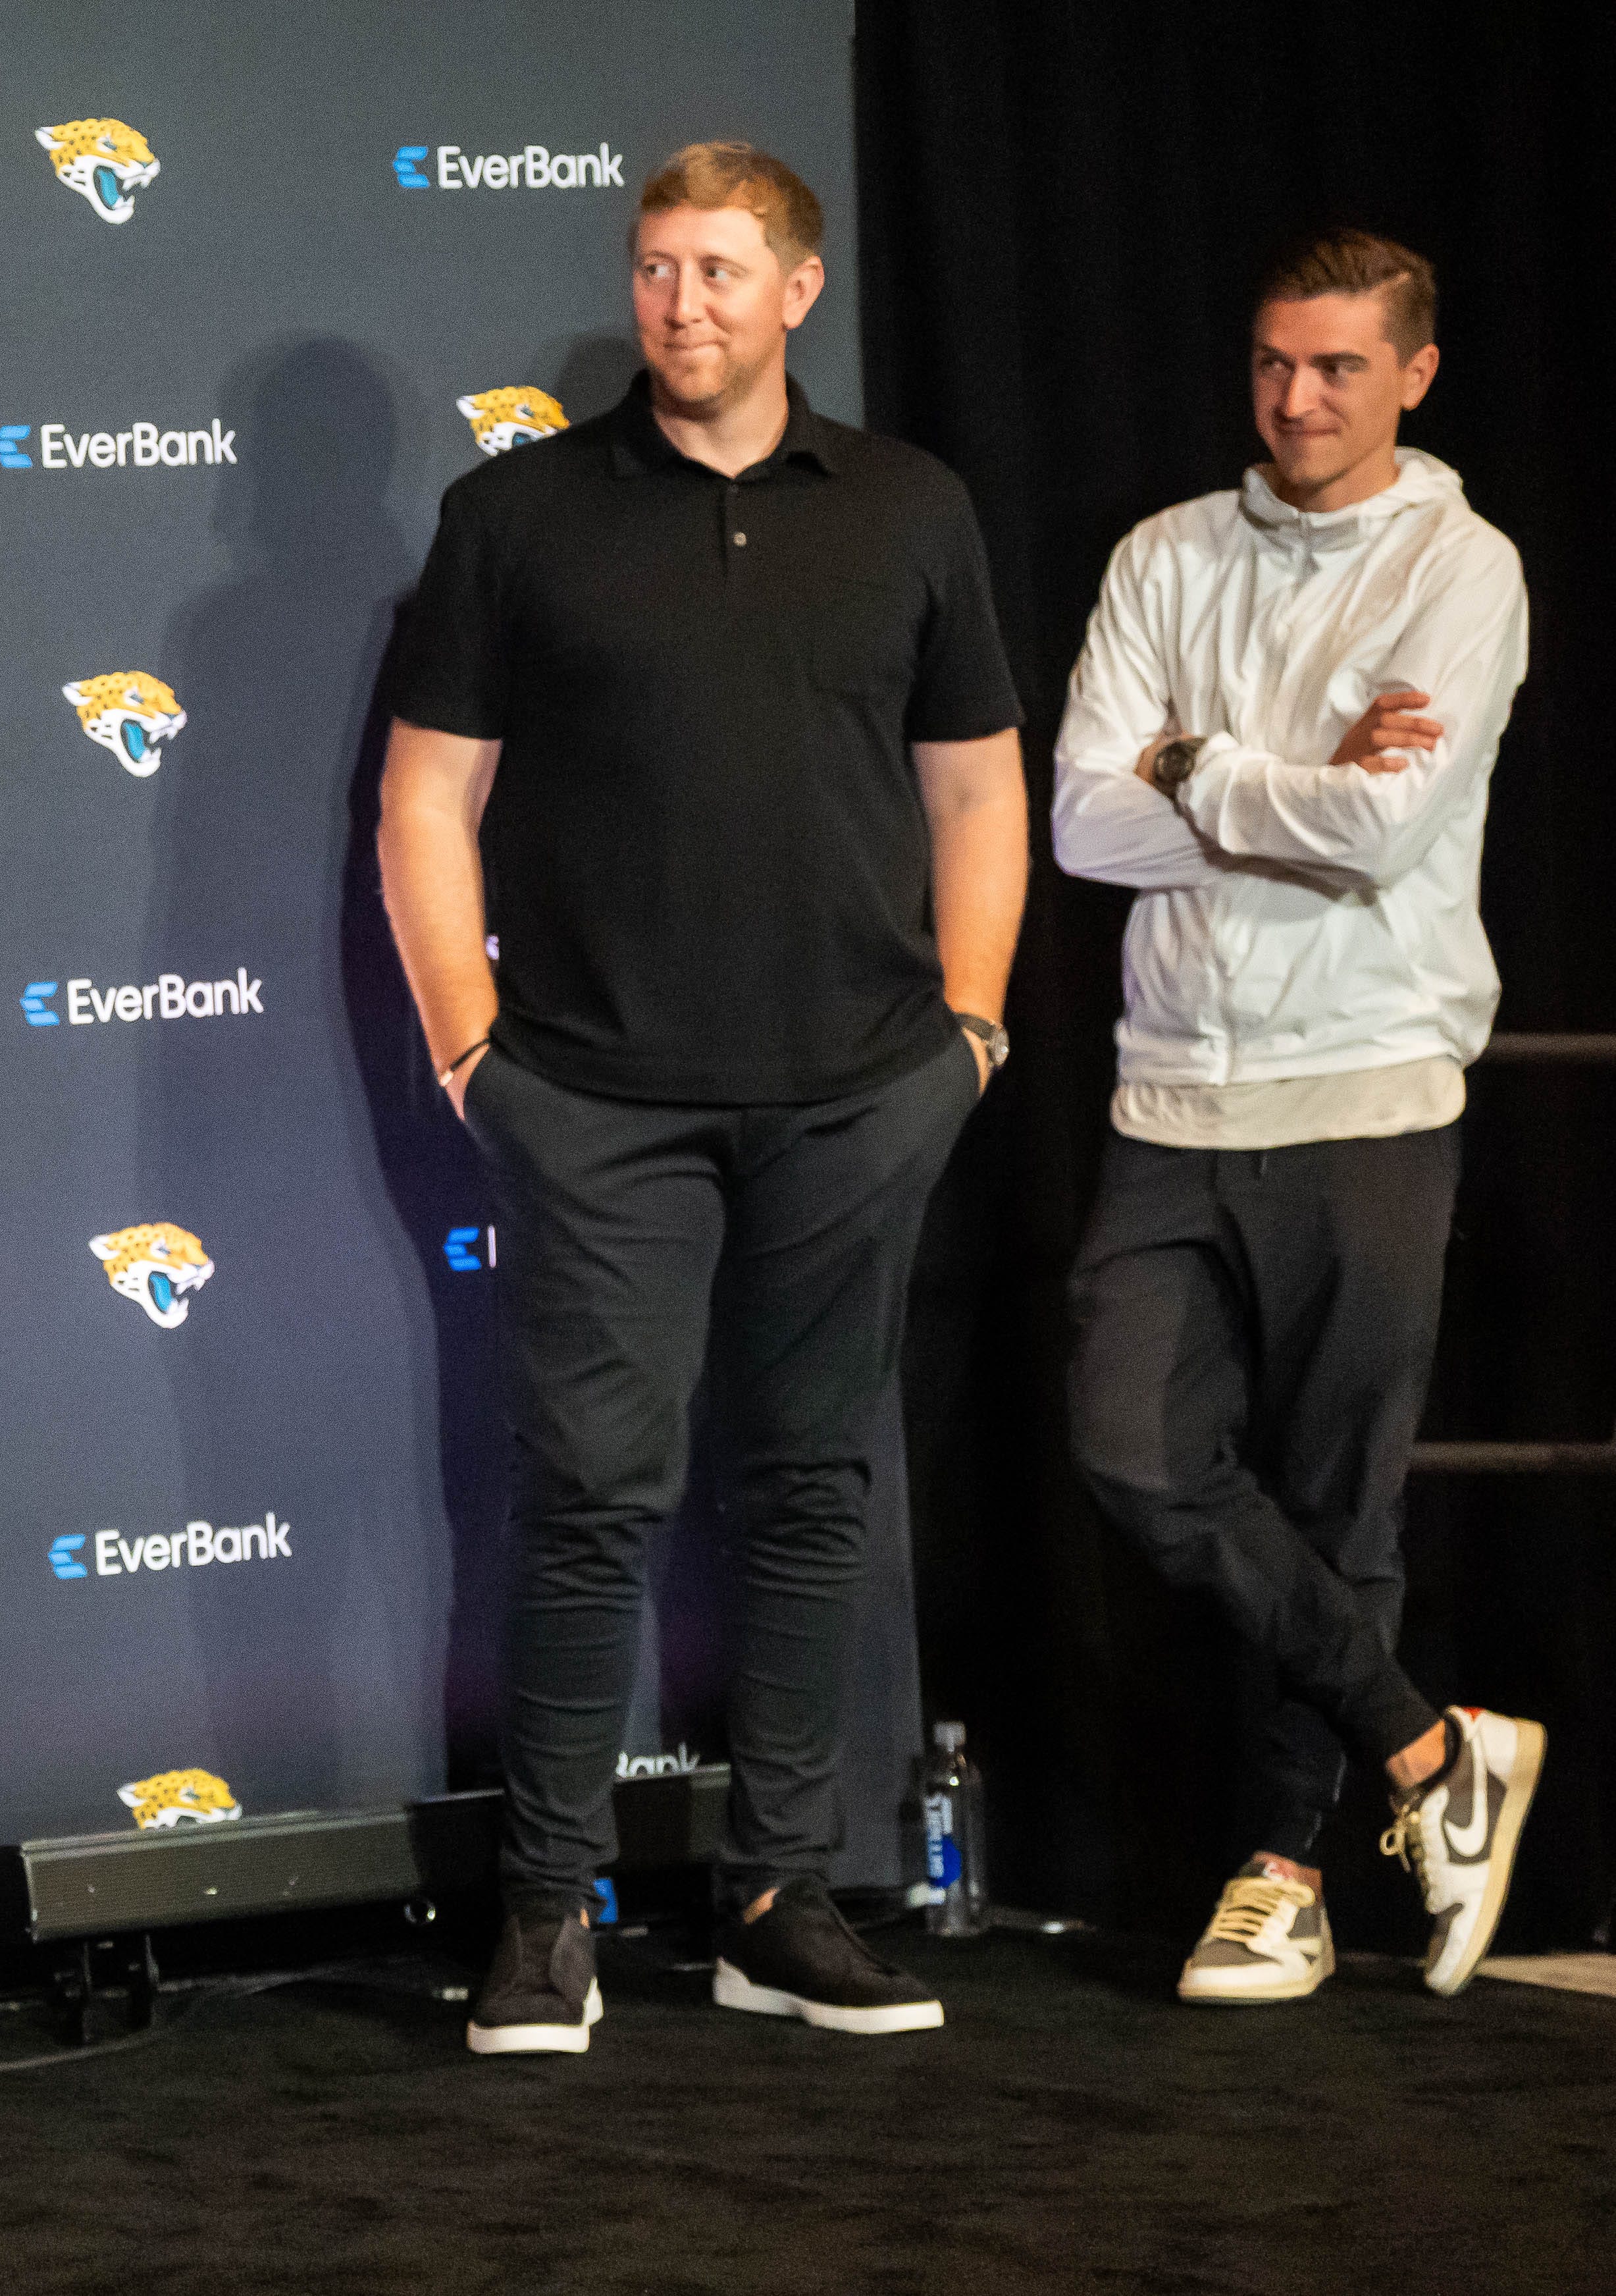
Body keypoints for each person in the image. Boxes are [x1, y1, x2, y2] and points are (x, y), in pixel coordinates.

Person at [380, 142, 1028, 2054]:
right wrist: (468, 1048)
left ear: (799, 289)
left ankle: (777, 1898)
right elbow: (428, 796)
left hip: (860, 1090)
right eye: (656, 269)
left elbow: (981, 787)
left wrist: (974, 1033)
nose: (684, 305)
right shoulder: (520, 513)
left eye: (722, 271)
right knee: (592, 1500)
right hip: (594, 1097)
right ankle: (544, 1920)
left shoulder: (910, 507)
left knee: (814, 1492)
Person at [1051, 229, 1538, 2006]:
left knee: (1338, 1504)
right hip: (1174, 1084)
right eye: (1272, 362)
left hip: (1372, 1079)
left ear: (1413, 372)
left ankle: (1285, 1871)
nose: (1297, 398)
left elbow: (1384, 835)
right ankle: (1432, 1754)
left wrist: (1190, 762)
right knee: (1131, 1447)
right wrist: (1290, 787)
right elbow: (1080, 832)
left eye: (1337, 367)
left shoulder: (1463, 570)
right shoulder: (1165, 552)